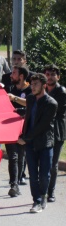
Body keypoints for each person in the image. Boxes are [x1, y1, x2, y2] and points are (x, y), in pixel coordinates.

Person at [17, 74, 57, 213]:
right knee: (33, 174)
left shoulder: (51, 103)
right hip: (30, 143)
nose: (32, 87)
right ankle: (37, 201)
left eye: (36, 85)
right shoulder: (30, 99)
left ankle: (44, 195)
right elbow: (29, 117)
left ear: (44, 85)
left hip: (45, 143)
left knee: (44, 175)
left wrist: (26, 138)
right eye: (32, 84)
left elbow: (42, 126)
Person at [5, 66, 32, 196]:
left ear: (21, 76)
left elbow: (31, 103)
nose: (11, 75)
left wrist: (14, 99)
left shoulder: (31, 90)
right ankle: (14, 185)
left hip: (25, 129)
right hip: (10, 128)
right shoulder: (10, 89)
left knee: (21, 156)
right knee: (13, 156)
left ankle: (19, 179)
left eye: (14, 73)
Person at [44, 65, 66, 203]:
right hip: (44, 131)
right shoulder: (42, 89)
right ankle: (43, 190)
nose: (50, 77)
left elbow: (55, 112)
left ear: (58, 77)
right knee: (43, 162)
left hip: (57, 131)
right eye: (47, 74)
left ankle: (51, 192)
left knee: (53, 164)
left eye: (53, 74)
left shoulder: (61, 91)